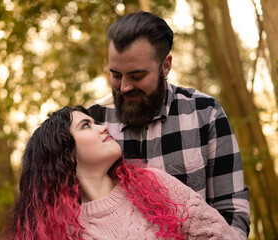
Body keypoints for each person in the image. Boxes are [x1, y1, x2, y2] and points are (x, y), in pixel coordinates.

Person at [88, 11, 250, 239]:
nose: (123, 87)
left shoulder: (206, 113)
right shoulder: (92, 121)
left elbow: (232, 211)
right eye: (116, 75)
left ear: (165, 66)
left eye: (136, 76)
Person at [8, 106, 239, 239]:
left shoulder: (152, 184)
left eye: (96, 122)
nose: (104, 126)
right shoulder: (62, 232)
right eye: (86, 125)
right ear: (65, 153)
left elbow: (219, 234)